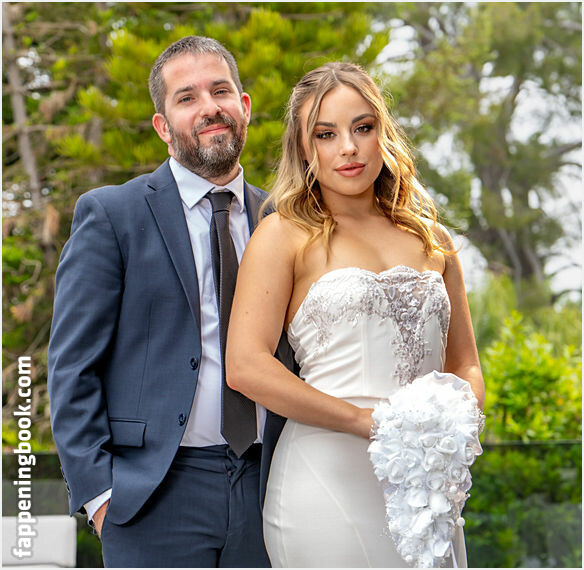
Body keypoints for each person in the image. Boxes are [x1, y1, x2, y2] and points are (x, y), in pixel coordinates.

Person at [225, 61, 485, 567]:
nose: (348, 147)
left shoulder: (433, 238)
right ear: (305, 148)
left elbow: (465, 364)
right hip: (324, 479)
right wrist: (366, 421)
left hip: (427, 488)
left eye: (362, 128)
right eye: (326, 134)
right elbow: (245, 366)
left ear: (382, 134)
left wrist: (453, 426)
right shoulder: (282, 235)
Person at [47, 35, 294, 568]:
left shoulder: (284, 220)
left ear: (244, 106)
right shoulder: (112, 215)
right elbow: (72, 367)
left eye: (220, 91)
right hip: (153, 495)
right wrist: (100, 498)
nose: (209, 108)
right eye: (187, 97)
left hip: (272, 485)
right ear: (162, 126)